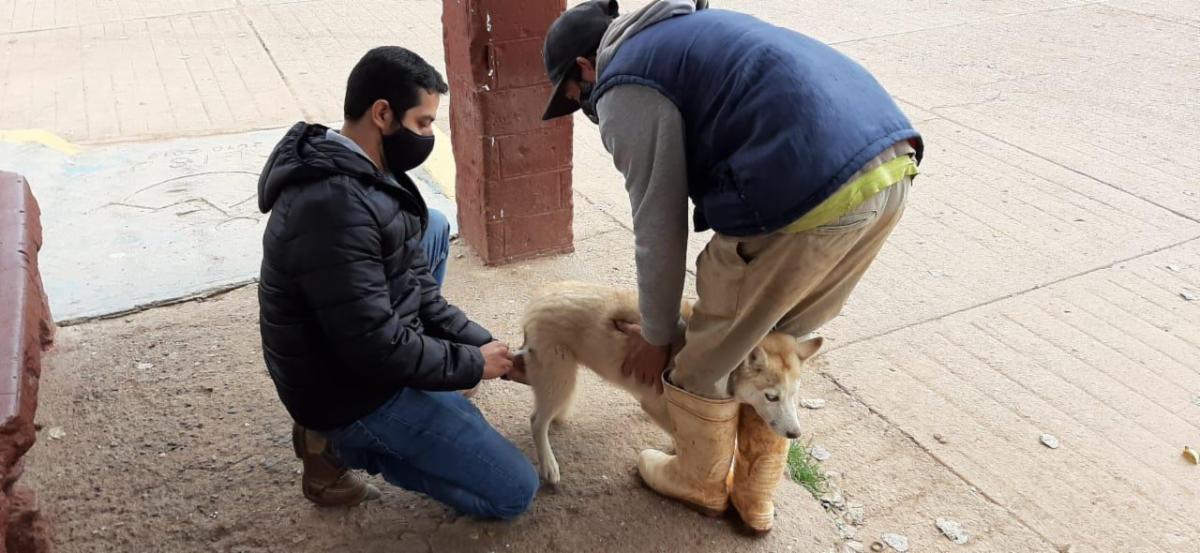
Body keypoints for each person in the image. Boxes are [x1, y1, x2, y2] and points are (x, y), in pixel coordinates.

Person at [539, 0, 923, 532]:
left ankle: (698, 482)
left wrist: (656, 335)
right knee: (773, 341)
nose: (589, 107)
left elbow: (659, 227)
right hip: (890, 172)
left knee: (706, 357)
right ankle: (756, 497)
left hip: (804, 195)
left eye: (579, 97)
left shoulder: (625, 83)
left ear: (585, 67)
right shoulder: (686, 33)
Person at [256, 46, 538, 520]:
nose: (429, 135)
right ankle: (334, 447)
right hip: (346, 390)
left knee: (428, 225)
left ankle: (425, 386)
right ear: (382, 113)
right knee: (512, 491)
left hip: (363, 347)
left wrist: (492, 351)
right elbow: (374, 348)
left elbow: (421, 290)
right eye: (424, 123)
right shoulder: (333, 207)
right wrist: (470, 364)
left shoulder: (369, 172)